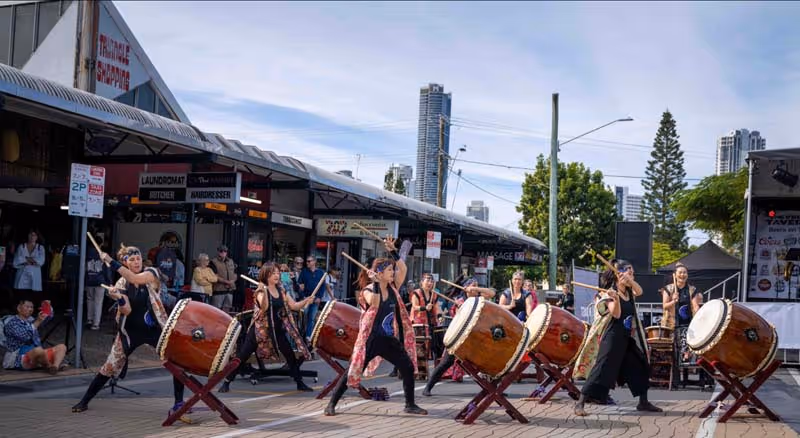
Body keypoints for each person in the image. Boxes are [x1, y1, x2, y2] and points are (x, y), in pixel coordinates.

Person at [72, 245, 188, 419]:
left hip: (154, 329)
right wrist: (118, 297)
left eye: (138, 258)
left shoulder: (151, 273)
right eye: (132, 260)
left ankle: (179, 402)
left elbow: (135, 278)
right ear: (125, 263)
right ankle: (85, 400)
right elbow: (126, 310)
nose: (136, 262)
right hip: (130, 332)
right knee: (110, 366)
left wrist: (110, 261)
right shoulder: (121, 283)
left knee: (176, 362)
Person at [324, 242, 425, 417]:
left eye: (392, 271)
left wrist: (393, 251)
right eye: (389, 271)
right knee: (352, 370)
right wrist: (377, 284)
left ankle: (410, 404)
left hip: (388, 339)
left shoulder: (393, 287)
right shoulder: (367, 290)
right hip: (371, 339)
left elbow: (403, 268)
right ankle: (331, 404)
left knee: (407, 367)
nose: (393, 273)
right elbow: (376, 304)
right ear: (379, 274)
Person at [574, 259, 661, 416]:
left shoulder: (629, 292)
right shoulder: (608, 292)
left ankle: (643, 402)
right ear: (618, 275)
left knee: (640, 365)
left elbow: (640, 291)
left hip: (626, 338)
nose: (632, 276)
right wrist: (615, 298)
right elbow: (617, 314)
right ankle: (580, 403)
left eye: (633, 273)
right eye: (630, 273)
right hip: (612, 337)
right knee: (601, 368)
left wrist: (630, 282)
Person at [219, 262, 315, 393]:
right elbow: (264, 307)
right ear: (266, 275)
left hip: (276, 330)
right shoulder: (259, 290)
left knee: (290, 355)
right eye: (273, 273)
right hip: (259, 330)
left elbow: (294, 306)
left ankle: (299, 383)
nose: (277, 275)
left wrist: (306, 301)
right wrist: (263, 290)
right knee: (243, 355)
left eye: (277, 273)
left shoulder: (281, 290)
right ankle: (227, 381)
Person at [422, 278, 495, 396]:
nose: (474, 288)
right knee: (446, 362)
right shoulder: (460, 301)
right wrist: (461, 307)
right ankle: (428, 387)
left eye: (476, 286)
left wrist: (476, 288)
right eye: (472, 285)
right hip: (459, 337)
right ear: (466, 289)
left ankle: (493, 389)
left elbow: (492, 293)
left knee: (487, 362)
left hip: (475, 337)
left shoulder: (479, 299)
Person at [661, 263, 706, 385]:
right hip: (671, 324)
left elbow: (695, 306)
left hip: (687, 325)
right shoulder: (668, 289)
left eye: (684, 272)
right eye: (680, 272)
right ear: (675, 275)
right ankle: (675, 380)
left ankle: (687, 379)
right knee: (674, 352)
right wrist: (673, 301)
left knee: (687, 351)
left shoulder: (691, 289)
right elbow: (664, 306)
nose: (682, 274)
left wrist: (698, 320)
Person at [2, 299, 66, 374]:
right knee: (38, 350)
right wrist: (38, 322)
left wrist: (47, 307)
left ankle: (55, 367)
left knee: (62, 347)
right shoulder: (12, 323)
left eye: (32, 307)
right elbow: (25, 336)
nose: (30, 309)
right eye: (27, 307)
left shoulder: (31, 320)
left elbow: (48, 317)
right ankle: (48, 366)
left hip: (39, 356)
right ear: (19, 308)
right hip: (19, 357)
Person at [410, 272, 443, 359]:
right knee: (419, 348)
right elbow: (414, 306)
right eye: (427, 280)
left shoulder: (434, 294)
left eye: (431, 281)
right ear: (422, 282)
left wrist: (439, 317)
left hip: (430, 324)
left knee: (433, 348)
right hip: (418, 324)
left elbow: (437, 308)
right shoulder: (416, 293)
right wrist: (425, 308)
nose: (430, 283)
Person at [85, 236, 112, 330]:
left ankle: (89, 319)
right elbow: (107, 269)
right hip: (100, 281)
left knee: (89, 300)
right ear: (100, 244)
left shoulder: (86, 253)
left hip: (88, 279)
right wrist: (109, 282)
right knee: (98, 302)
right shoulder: (103, 254)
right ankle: (95, 324)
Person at [13, 230, 46, 305]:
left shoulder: (40, 248)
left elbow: (41, 261)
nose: (32, 237)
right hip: (22, 275)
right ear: (28, 235)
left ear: (37, 237)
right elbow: (17, 260)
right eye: (31, 234)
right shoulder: (22, 246)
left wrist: (26, 259)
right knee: (21, 297)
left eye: (34, 235)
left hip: (35, 275)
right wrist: (33, 261)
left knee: (33, 297)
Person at [298, 256, 326, 341]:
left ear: (314, 261)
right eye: (307, 261)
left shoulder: (321, 272)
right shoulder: (304, 272)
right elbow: (300, 285)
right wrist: (303, 297)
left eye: (309, 261)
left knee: (312, 318)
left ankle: (308, 336)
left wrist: (319, 297)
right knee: (304, 317)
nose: (307, 263)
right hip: (306, 298)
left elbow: (323, 286)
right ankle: (302, 335)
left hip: (315, 299)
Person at [210, 245, 237, 312]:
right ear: (218, 252)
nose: (223, 253)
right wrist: (226, 282)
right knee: (216, 310)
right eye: (221, 251)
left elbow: (235, 273)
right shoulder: (213, 262)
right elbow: (214, 276)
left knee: (227, 310)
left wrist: (233, 281)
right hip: (218, 290)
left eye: (225, 251)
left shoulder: (231, 261)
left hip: (230, 290)